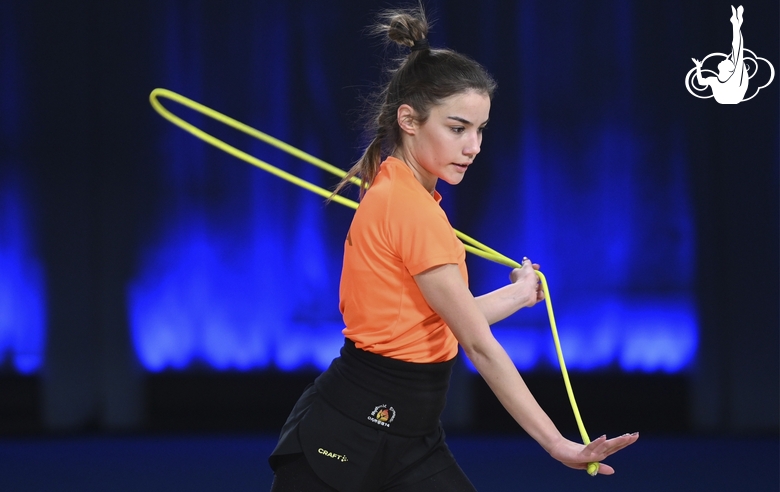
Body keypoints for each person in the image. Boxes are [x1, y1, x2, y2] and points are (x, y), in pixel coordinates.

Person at [269, 6, 638, 491]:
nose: (474, 145)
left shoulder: (398, 190)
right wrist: (558, 444)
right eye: (458, 128)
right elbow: (479, 346)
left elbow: (439, 315)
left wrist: (518, 295)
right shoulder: (413, 210)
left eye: (480, 129)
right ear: (409, 120)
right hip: (348, 433)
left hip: (409, 437)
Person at [692, 5, 748, 104]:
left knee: (737, 51)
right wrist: (698, 67)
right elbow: (701, 82)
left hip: (733, 96)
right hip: (730, 97)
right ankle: (736, 24)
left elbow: (738, 49)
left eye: (727, 61)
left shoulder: (730, 78)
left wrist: (698, 67)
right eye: (728, 61)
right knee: (737, 52)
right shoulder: (715, 80)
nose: (725, 59)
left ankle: (736, 24)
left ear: (729, 69)